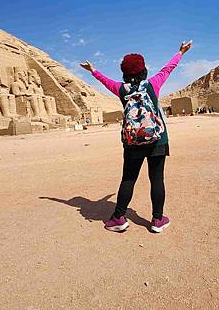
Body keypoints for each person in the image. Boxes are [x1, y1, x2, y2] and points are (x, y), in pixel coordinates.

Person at [80, 40, 192, 233]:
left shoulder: (121, 89)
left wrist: (93, 71)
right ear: (144, 70)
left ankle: (119, 218)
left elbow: (105, 81)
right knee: (156, 179)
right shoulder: (152, 85)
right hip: (158, 139)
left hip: (133, 142)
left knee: (128, 179)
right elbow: (168, 69)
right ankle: (157, 220)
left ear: (124, 73)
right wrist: (181, 52)